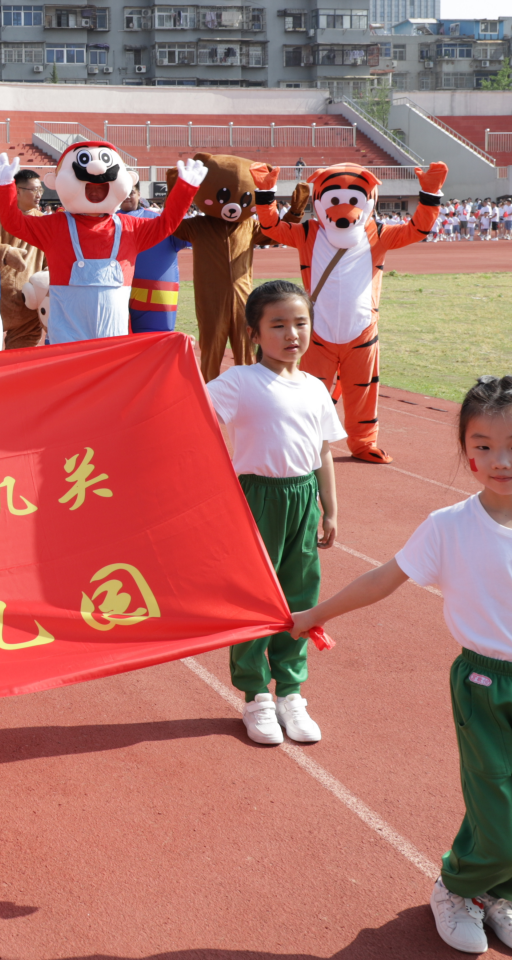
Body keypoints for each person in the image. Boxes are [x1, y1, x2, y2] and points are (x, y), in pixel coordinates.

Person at [289, 375, 512, 957]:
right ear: (467, 452)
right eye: (482, 445)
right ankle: (458, 888)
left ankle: (504, 896)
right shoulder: (449, 526)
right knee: (500, 828)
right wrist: (315, 613)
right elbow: (383, 579)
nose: (500, 460)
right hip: (484, 689)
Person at [206, 279, 343, 746]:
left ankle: (290, 691)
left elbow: (322, 451)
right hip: (255, 499)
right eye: (278, 325)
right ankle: (255, 696)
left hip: (303, 498)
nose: (292, 334)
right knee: (253, 596)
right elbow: (194, 415)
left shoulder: (315, 388)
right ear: (254, 333)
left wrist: (330, 508)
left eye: (300, 323)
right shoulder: (240, 382)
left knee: (299, 595)